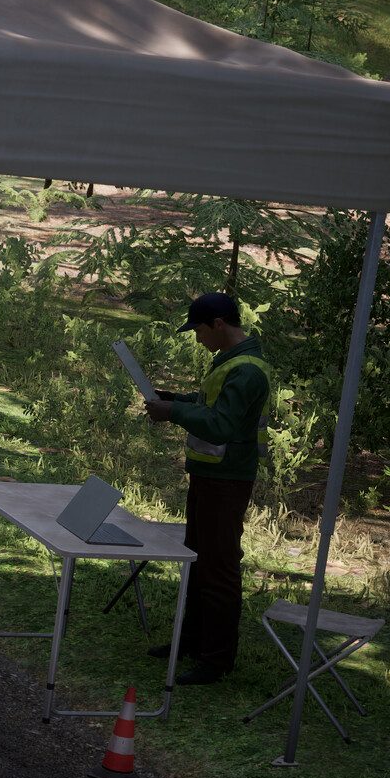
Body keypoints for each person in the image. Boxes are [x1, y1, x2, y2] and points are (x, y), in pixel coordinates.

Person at [142, 292, 272, 685]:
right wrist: (175, 400)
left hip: (227, 481)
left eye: (198, 329)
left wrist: (175, 413)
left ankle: (216, 659)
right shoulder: (231, 361)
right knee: (198, 561)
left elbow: (220, 426)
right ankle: (192, 641)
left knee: (218, 568)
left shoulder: (247, 370)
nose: (197, 338)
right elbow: (209, 403)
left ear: (218, 324)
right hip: (210, 476)